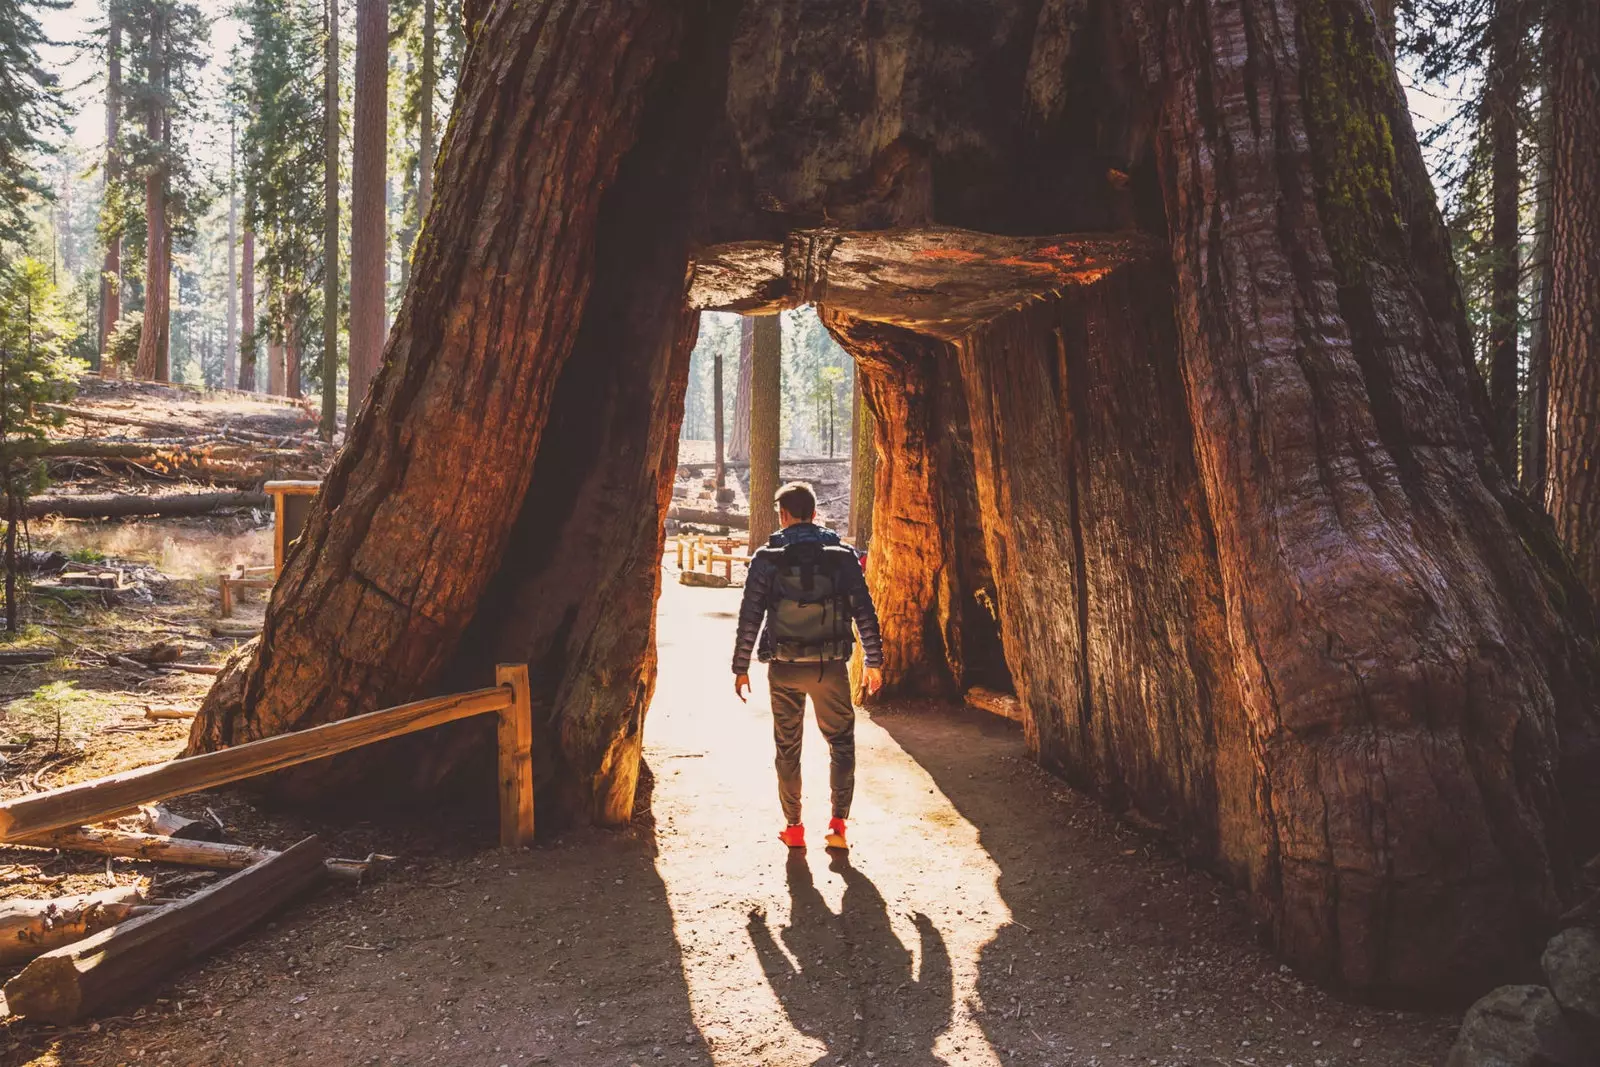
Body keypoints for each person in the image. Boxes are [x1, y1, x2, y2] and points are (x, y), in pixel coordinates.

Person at [733, 481, 883, 851]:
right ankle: (837, 826)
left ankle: (794, 827)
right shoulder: (842, 557)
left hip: (783, 667)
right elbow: (864, 610)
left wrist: (741, 667)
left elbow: (750, 616)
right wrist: (873, 662)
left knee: (788, 747)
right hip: (829, 667)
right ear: (814, 514)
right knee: (841, 743)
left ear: (783, 515)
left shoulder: (767, 559)